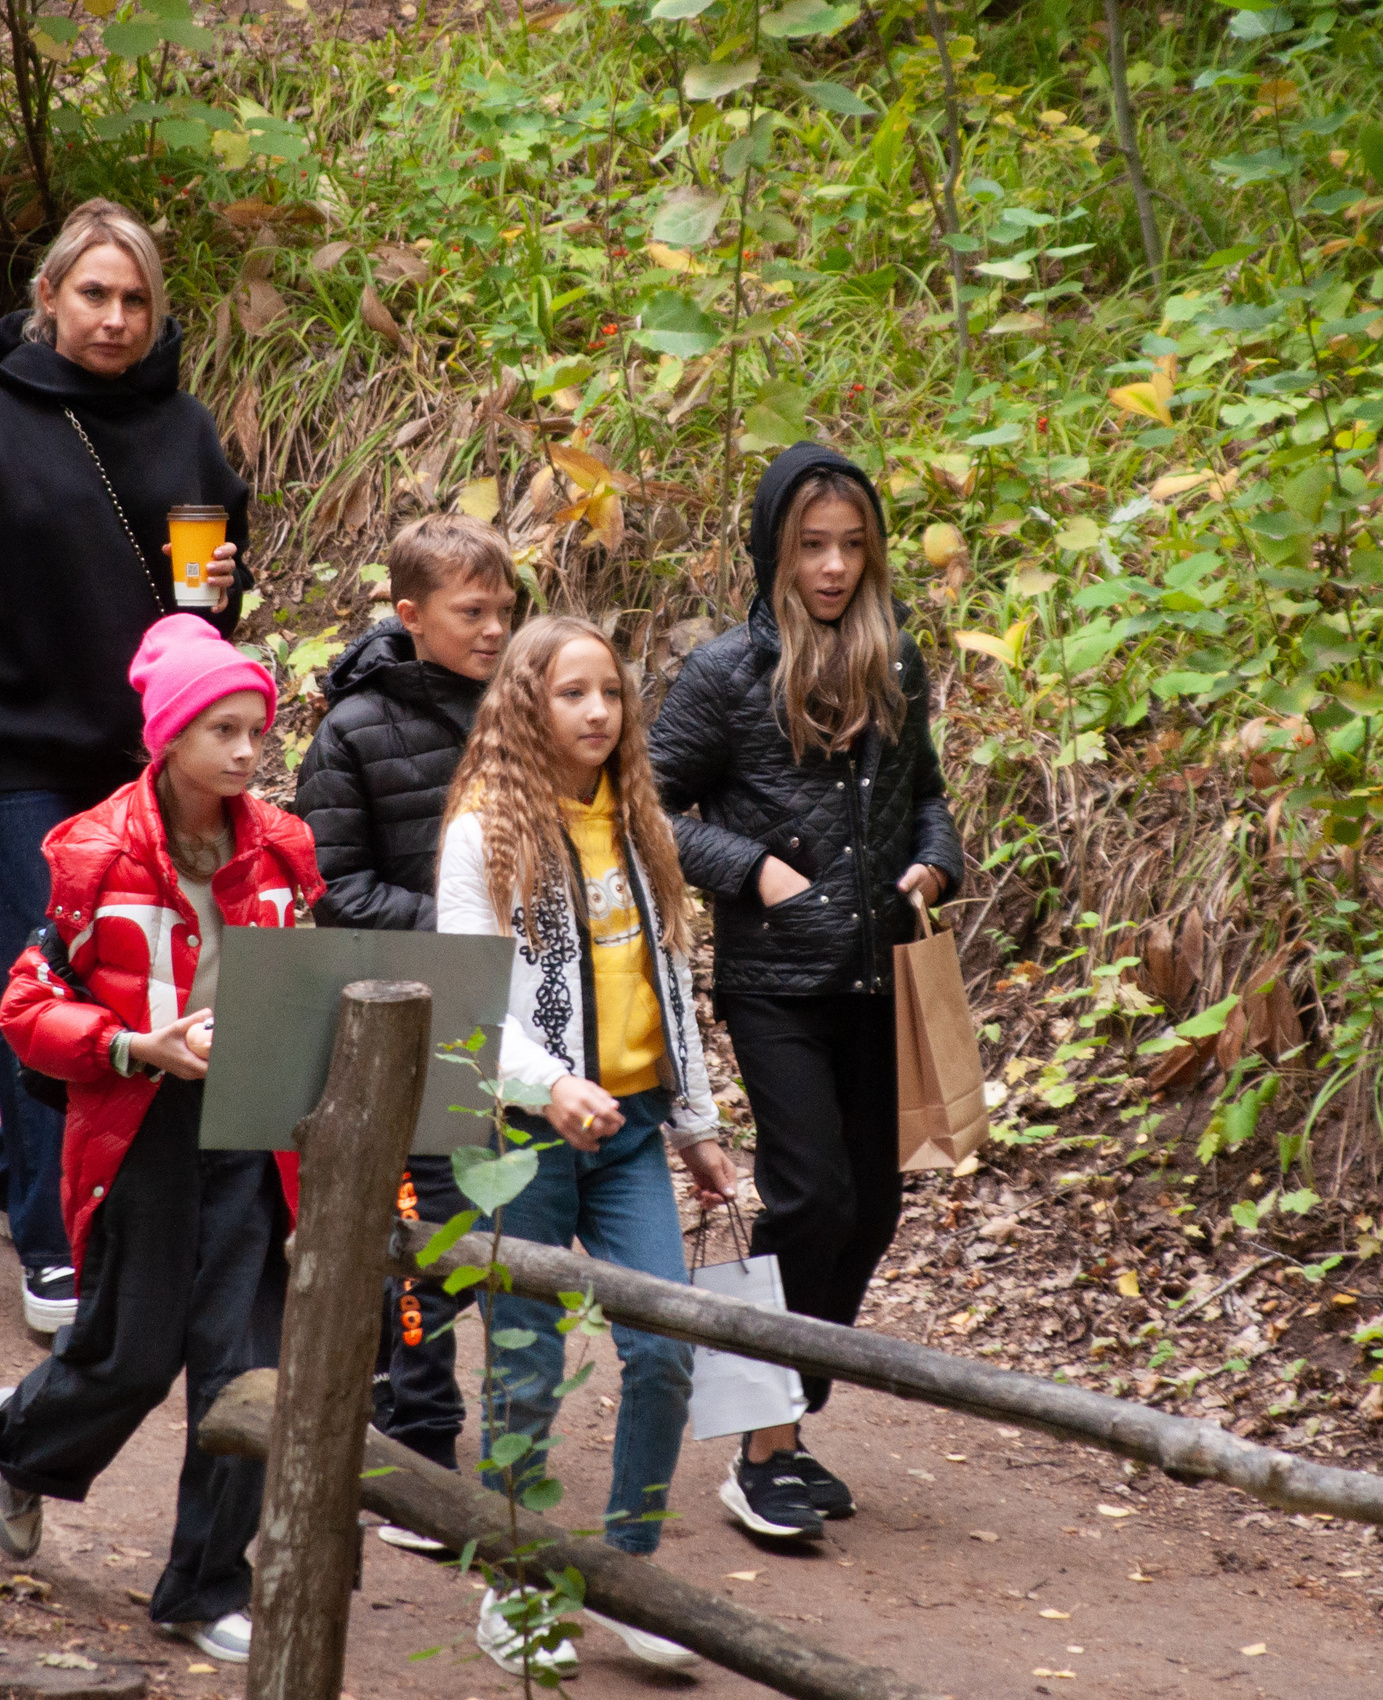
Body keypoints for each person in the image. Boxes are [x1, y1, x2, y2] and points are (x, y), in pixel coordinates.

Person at [0, 198, 250, 1336]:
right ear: (46, 299)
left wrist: (224, 588)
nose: (115, 317)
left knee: (125, 980)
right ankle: (58, 1241)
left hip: (137, 752)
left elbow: (214, 601)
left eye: (135, 298)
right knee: (47, 975)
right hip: (7, 752)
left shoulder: (185, 425)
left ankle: (15, 1171)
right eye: (94, 293)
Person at [0, 615, 319, 1666]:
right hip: (144, 1122)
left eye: (257, 728)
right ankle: (19, 1442)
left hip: (254, 1124)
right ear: (168, 736)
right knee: (131, 1351)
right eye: (223, 728)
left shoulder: (284, 844)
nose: (247, 750)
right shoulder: (95, 852)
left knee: (242, 1364)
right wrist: (135, 1044)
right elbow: (27, 1006)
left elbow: (304, 979)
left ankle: (204, 1582)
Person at [648, 441, 965, 1541]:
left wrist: (936, 860)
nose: (832, 567)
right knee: (813, 1198)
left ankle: (781, 1399)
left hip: (878, 974)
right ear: (774, 550)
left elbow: (926, 794)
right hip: (775, 979)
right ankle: (764, 1446)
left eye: (850, 546)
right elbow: (648, 800)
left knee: (872, 1206)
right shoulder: (725, 671)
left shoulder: (897, 662)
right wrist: (754, 869)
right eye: (810, 545)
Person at [436, 616, 740, 1681]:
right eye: (571, 693)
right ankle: (514, 1585)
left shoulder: (639, 820)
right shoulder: (485, 831)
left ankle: (629, 1572)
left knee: (664, 1343)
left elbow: (669, 989)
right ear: (528, 703)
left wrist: (696, 1124)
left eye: (609, 692)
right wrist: (549, 1083)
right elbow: (470, 1009)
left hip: (632, 1129)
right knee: (522, 1365)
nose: (597, 712)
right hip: (523, 1134)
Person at [291, 512, 517, 1530]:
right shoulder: (352, 730)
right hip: (403, 1016)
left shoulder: (523, 713)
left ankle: (387, 1378)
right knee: (433, 1228)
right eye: (473, 613)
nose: (495, 630)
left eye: (505, 611)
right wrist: (468, 929)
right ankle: (420, 1440)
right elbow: (333, 889)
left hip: (512, 1014)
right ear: (411, 614)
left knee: (499, 1219)